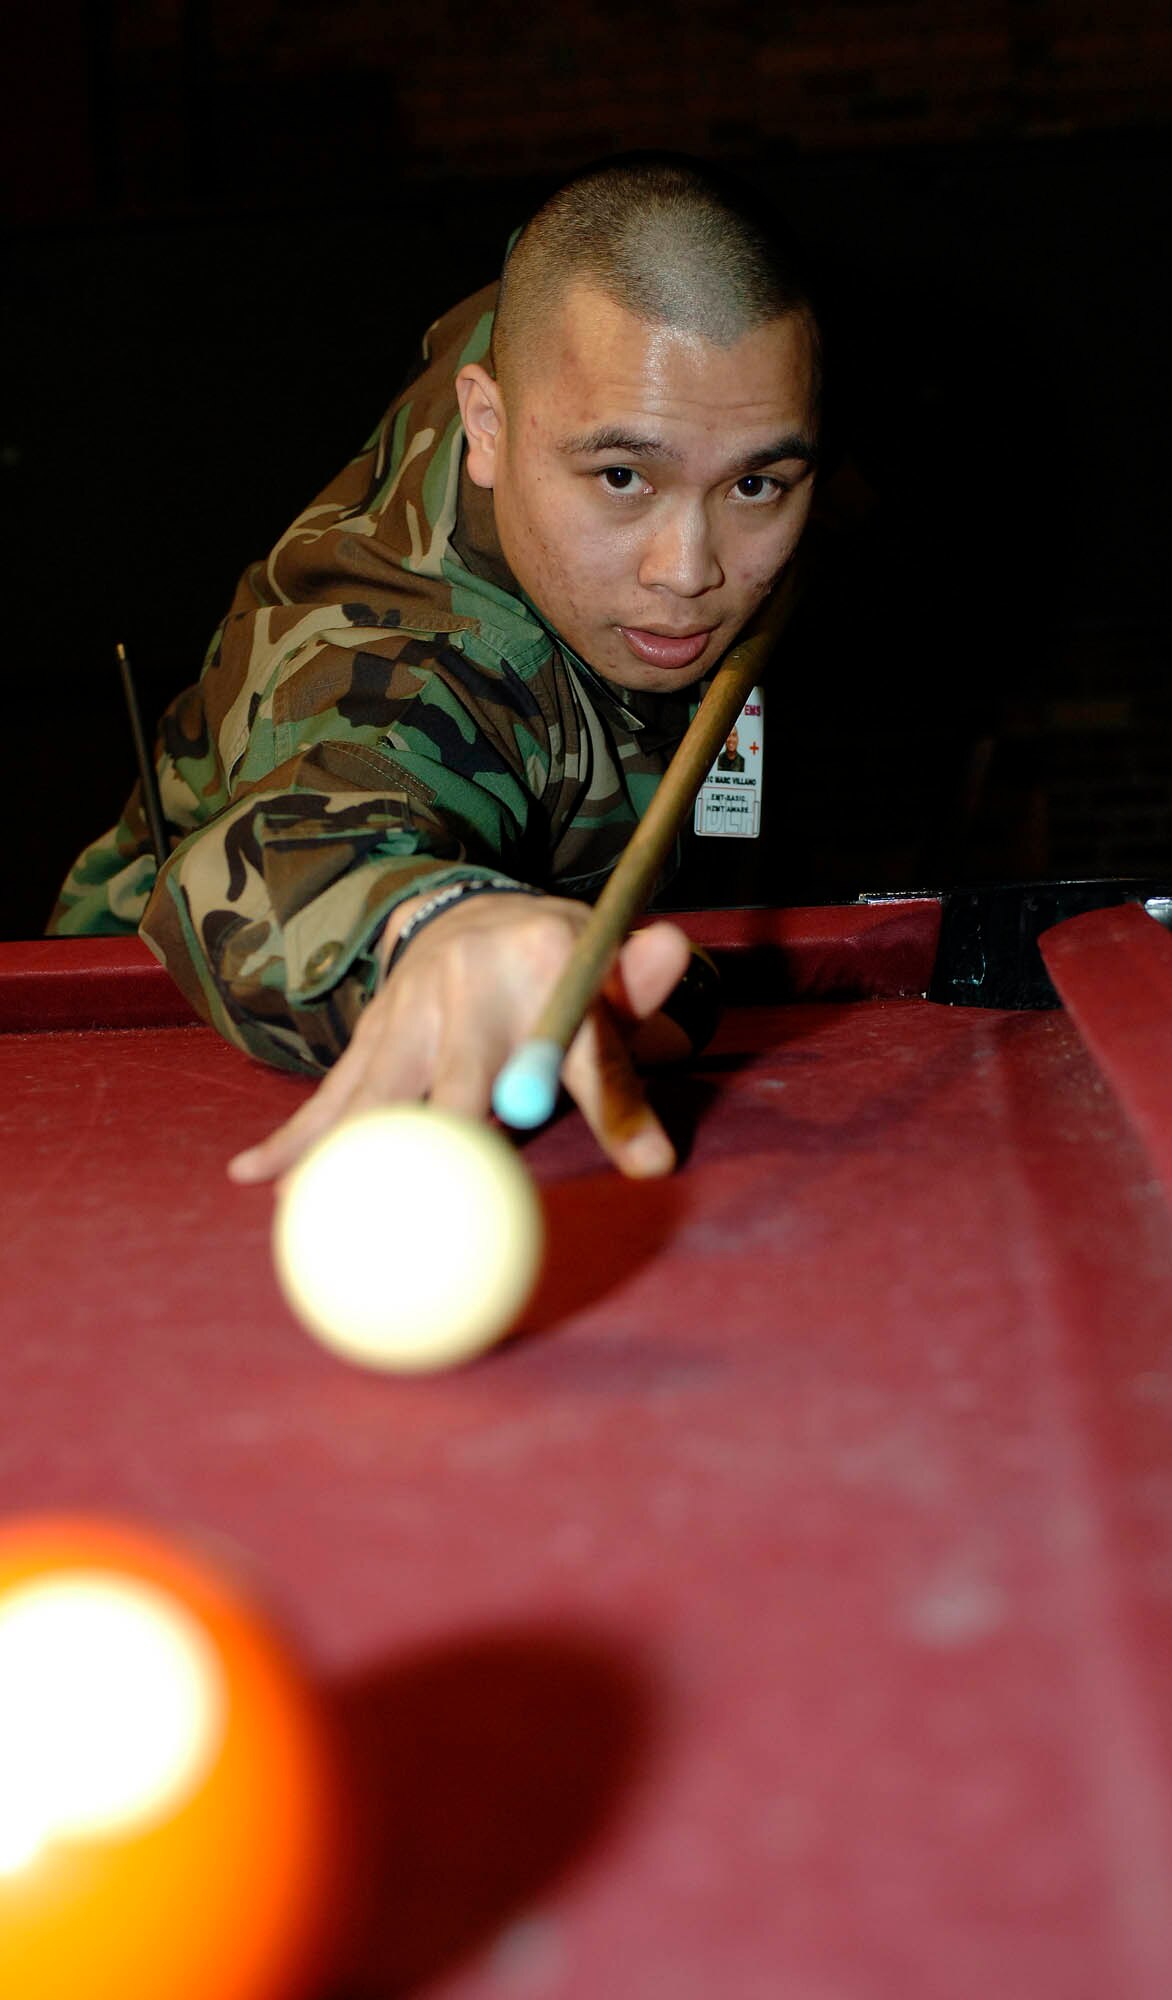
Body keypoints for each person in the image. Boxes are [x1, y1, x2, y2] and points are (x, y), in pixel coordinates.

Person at [51, 155, 820, 1182]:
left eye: (756, 483)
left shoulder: (605, 362)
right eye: (622, 476)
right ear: (487, 423)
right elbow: (293, 846)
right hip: (130, 1049)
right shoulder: (403, 655)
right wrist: (431, 926)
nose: (687, 573)